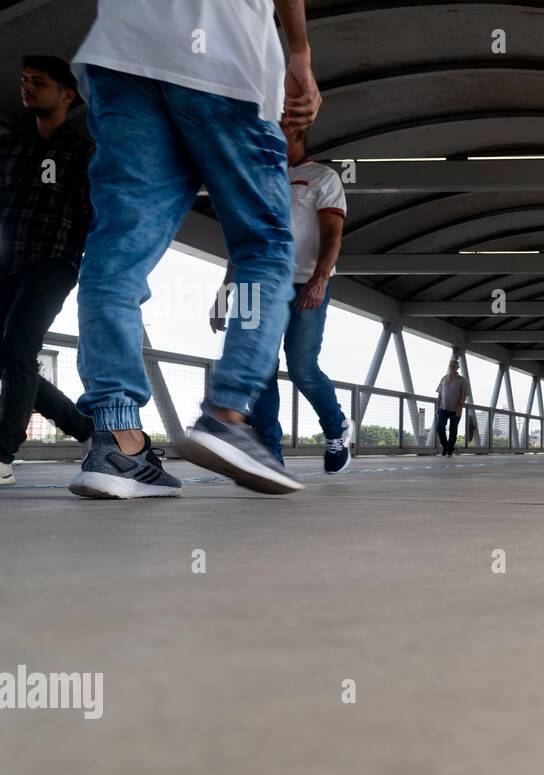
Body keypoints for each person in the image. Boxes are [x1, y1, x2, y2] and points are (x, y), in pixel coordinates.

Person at [68, 0, 320, 499]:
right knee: (262, 247)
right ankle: (227, 414)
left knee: (116, 255)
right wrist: (300, 54)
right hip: (226, 57)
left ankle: (118, 441)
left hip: (123, 52)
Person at [214, 123, 351, 472]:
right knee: (261, 367)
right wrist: (226, 292)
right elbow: (246, 241)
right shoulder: (258, 179)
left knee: (302, 368)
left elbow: (333, 236)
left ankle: (336, 430)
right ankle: (270, 454)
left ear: (296, 136)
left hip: (305, 281)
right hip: (259, 282)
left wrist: (320, 279)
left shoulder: (323, 177)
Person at [0, 56, 96, 487]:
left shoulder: (81, 152)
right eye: (24, 81)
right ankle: (85, 429)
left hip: (53, 263)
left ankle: (1, 456)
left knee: (19, 347)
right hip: (7, 262)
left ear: (66, 94)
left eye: (39, 82)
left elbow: (92, 215)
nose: (27, 87)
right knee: (10, 356)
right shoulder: (10, 146)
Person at [434, 358, 468, 456]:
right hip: (443, 408)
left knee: (453, 430)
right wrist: (437, 407)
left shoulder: (462, 380)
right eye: (451, 365)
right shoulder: (444, 378)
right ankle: (445, 445)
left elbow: (463, 396)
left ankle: (450, 448)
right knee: (440, 428)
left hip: (456, 409)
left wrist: (460, 408)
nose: (452, 367)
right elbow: (440, 394)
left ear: (458, 367)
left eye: (454, 365)